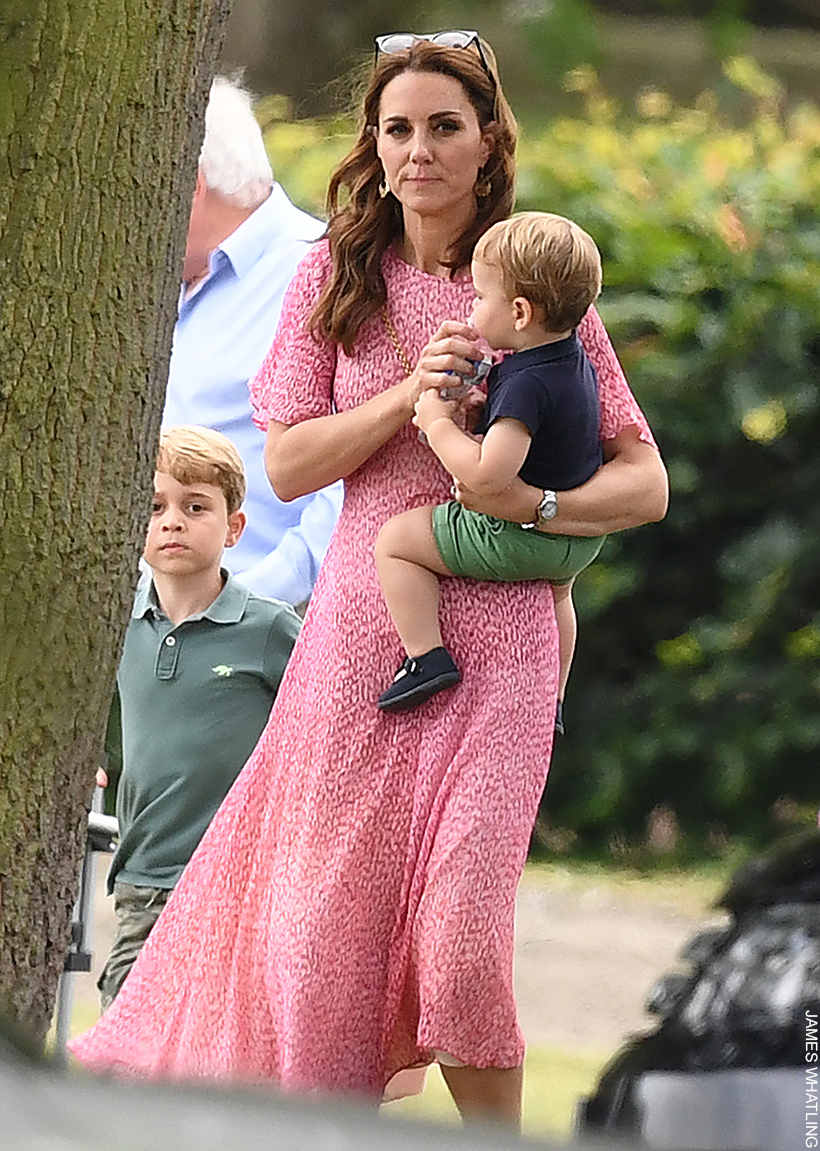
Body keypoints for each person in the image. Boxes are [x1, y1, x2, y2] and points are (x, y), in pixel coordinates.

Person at [70, 32, 667, 1129]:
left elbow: (642, 478)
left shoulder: (534, 284)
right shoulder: (331, 275)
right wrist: (410, 396)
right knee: (324, 937)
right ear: (374, 148)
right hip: (360, 639)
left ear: (487, 143)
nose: (419, 149)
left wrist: (531, 511)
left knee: (463, 941)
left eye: (444, 125)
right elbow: (287, 461)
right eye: (397, 128)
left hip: (507, 646)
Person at [96, 425, 301, 1010]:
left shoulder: (269, 628)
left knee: (218, 1052)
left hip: (240, 885)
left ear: (234, 527)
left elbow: (319, 729)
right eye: (155, 506)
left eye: (195, 506)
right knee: (126, 1044)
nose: (172, 522)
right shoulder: (117, 621)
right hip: (144, 876)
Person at [375, 210, 607, 719]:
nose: (474, 308)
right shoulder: (572, 361)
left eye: (482, 298)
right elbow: (544, 432)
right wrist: (486, 416)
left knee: (395, 542)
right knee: (559, 598)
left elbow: (487, 476)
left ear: (520, 312)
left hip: (520, 536)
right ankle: (557, 697)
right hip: (578, 544)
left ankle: (425, 657)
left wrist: (437, 423)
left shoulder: (524, 382)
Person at [163, 75, 343, 607]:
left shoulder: (319, 272)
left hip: (263, 634)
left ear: (189, 182)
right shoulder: (156, 283)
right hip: (147, 630)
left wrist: (247, 603)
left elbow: (352, 479)